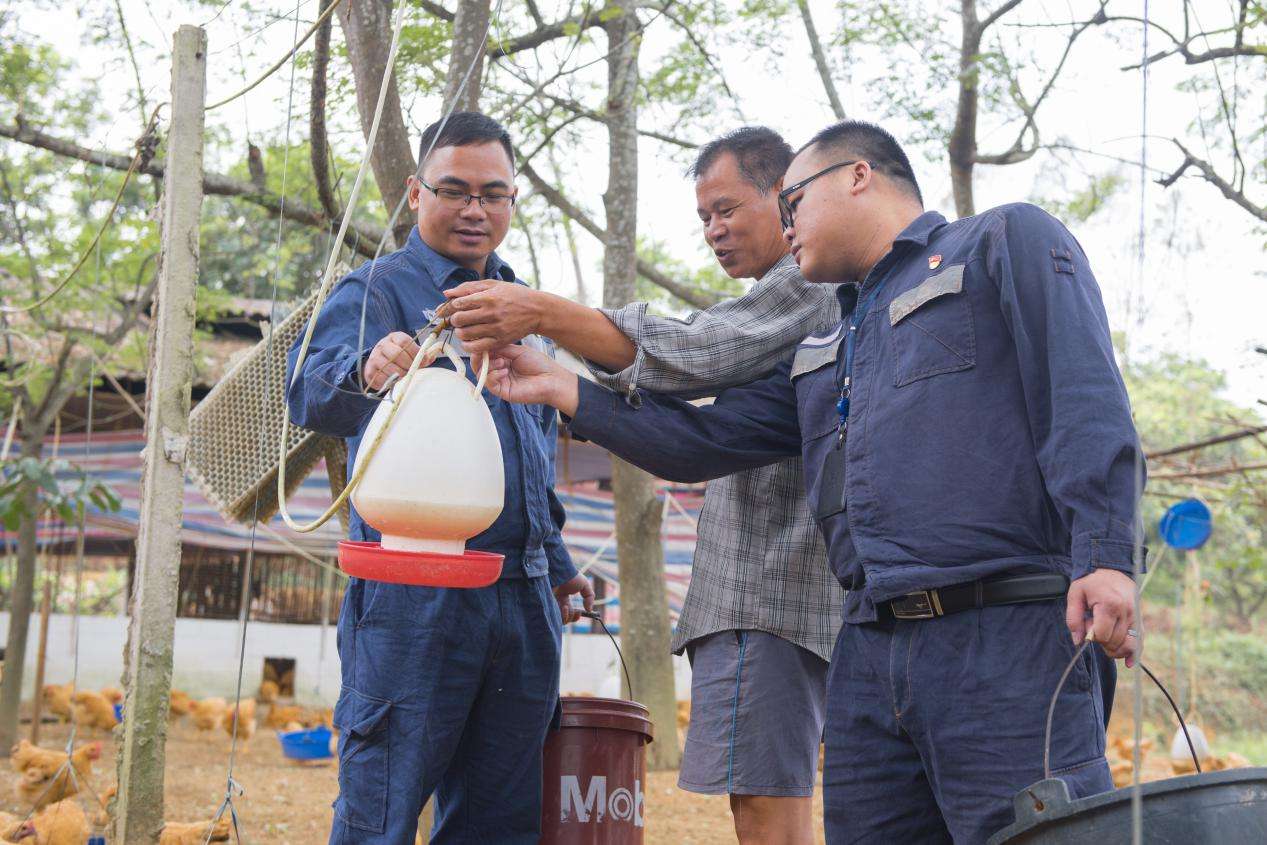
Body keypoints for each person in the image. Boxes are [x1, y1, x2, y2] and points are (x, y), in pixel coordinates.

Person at [478, 120, 1145, 843]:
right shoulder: (826, 344)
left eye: (790, 202)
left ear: (857, 175)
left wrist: (1106, 555)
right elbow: (701, 441)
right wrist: (564, 388)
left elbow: (1082, 398)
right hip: (867, 645)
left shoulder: (998, 243)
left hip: (1004, 635)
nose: (783, 226)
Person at [439, 127, 843, 844]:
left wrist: (544, 312)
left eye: (726, 210)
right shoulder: (797, 330)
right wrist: (564, 382)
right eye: (702, 220)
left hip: (765, 595)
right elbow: (699, 438)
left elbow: (694, 351)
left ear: (786, 198)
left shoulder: (806, 289)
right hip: (783, 600)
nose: (713, 232)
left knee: (765, 807)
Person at [285, 111, 593, 844]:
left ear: (513, 202)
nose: (474, 209)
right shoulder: (376, 291)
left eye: (493, 193)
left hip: (521, 602)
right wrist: (366, 368)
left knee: (501, 820)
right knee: (379, 812)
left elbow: (529, 454)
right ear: (414, 190)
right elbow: (307, 391)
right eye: (454, 189)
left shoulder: (524, 310)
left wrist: (553, 564)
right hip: (413, 597)